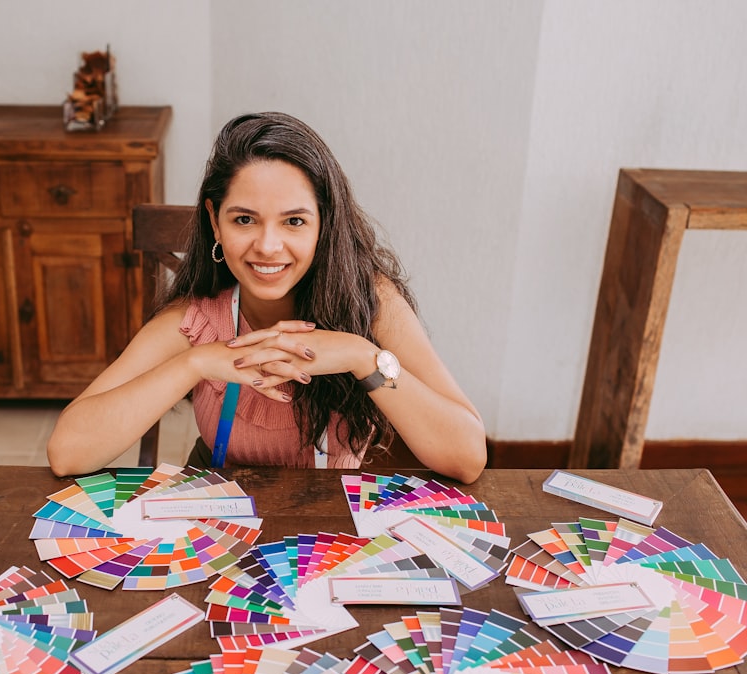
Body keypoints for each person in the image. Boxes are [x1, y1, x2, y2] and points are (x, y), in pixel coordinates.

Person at [47, 112, 486, 483]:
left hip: (330, 522)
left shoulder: (371, 302)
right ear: (215, 223)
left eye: (294, 221)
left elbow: (467, 457)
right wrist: (194, 363)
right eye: (244, 220)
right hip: (215, 522)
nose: (268, 246)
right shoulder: (195, 318)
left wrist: (360, 355)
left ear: (323, 224)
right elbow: (67, 453)